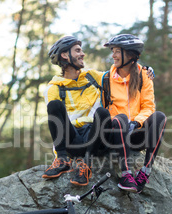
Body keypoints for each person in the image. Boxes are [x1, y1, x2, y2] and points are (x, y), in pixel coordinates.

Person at [42, 36, 153, 187]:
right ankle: (61, 160)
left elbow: (120, 75)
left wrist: (143, 69)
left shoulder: (93, 77)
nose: (83, 54)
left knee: (102, 112)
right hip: (72, 139)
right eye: (77, 51)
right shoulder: (53, 88)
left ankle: (86, 165)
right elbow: (56, 124)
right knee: (54, 105)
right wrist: (58, 152)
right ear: (64, 55)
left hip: (96, 139)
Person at [103, 34, 167, 193]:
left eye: (117, 51)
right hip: (115, 134)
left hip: (135, 135)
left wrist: (136, 122)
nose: (113, 55)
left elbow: (148, 107)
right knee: (121, 119)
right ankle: (126, 174)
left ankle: (145, 172)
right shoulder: (105, 78)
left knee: (160, 117)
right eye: (113, 51)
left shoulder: (144, 75)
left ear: (130, 55)